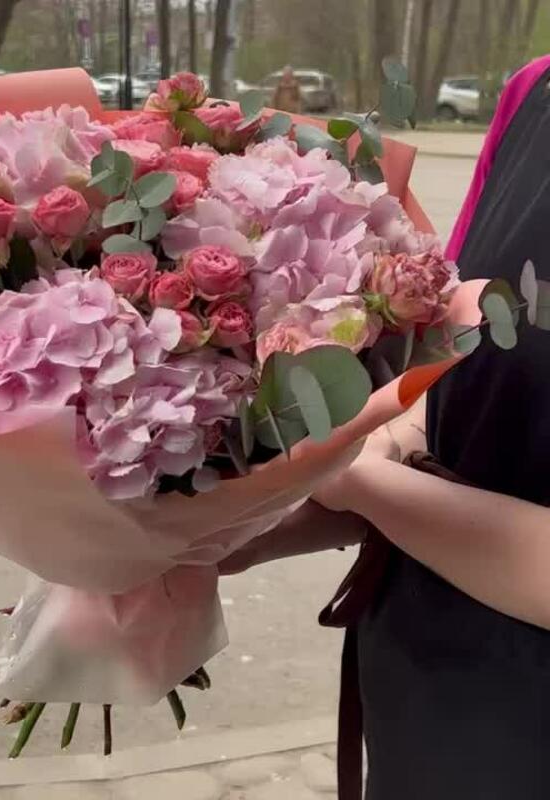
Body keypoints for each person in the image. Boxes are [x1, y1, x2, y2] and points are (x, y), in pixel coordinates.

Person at [221, 55, 550, 800]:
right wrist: (245, 522)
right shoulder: (533, 91)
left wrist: (354, 482)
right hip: (421, 692)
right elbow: (450, 389)